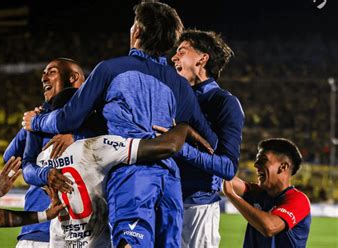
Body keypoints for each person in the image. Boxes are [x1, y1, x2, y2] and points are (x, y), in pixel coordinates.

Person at [22, 2, 218, 247]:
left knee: (130, 242)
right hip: (170, 178)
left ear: (136, 31)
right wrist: (179, 134)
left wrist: (37, 120)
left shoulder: (110, 70)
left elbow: (68, 119)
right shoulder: (178, 84)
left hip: (131, 170)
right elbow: (210, 140)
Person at [170, 29, 244, 247]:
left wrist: (179, 147)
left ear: (202, 58)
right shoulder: (171, 97)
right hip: (163, 203)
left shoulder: (224, 103)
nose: (174, 57)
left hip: (197, 210)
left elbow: (227, 167)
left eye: (181, 51)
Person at [3, 58, 85, 248]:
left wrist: (77, 136)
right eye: (44, 73)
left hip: (83, 231)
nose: (44, 77)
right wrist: (30, 125)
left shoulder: (97, 115)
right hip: (38, 230)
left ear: (73, 77)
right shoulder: (42, 118)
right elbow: (11, 159)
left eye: (52, 72)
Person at [223, 138, 311, 248]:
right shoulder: (257, 192)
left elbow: (269, 228)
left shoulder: (298, 200)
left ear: (283, 167)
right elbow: (226, 179)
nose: (255, 165)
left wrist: (232, 195)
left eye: (262, 160)